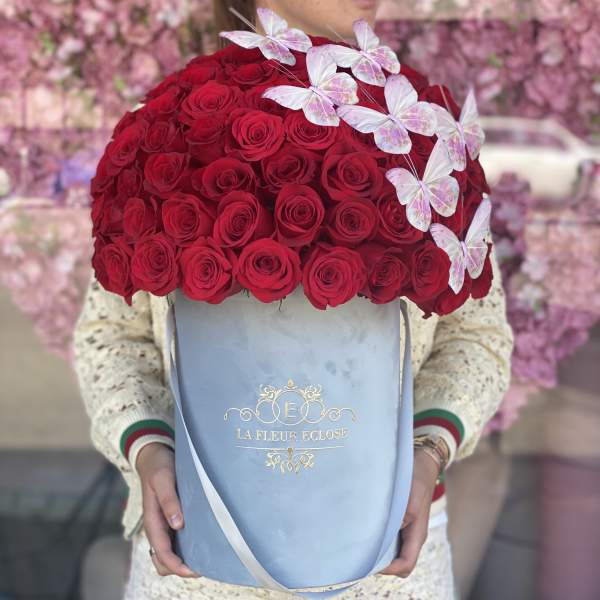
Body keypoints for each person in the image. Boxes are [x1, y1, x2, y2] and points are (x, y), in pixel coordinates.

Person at [73, 1, 514, 598]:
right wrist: (148, 447)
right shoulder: (170, 129)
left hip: (387, 555)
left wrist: (429, 450)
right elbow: (111, 336)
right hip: (201, 546)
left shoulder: (422, 136)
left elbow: (476, 335)